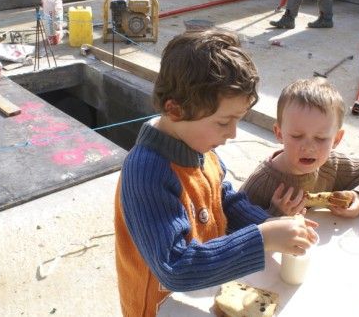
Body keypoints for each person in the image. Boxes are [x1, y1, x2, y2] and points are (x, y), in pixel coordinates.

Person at [114, 30, 318, 317]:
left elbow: (225, 201)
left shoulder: (199, 146)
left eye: (237, 120)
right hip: (163, 306)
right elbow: (175, 267)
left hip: (207, 290)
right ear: (175, 110)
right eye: (224, 122)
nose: (233, 133)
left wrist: (274, 226)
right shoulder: (146, 173)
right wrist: (263, 238)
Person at [240, 77, 359, 217]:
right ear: (279, 133)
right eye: (297, 136)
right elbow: (232, 224)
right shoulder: (260, 184)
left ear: (336, 139)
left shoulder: (331, 164)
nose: (308, 148)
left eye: (321, 138)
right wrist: (273, 216)